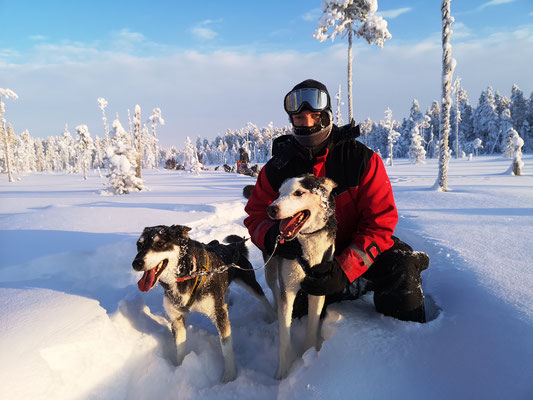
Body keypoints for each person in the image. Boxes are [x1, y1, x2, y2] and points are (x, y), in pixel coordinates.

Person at [244, 79, 429, 323]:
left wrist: (344, 270)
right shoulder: (278, 168)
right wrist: (271, 238)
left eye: (314, 116)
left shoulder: (360, 159)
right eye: (299, 118)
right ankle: (352, 288)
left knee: (401, 267)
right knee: (300, 309)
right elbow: (256, 215)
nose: (307, 123)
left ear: (327, 115)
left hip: (356, 248)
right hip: (309, 256)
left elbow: (380, 223)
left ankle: (407, 341)